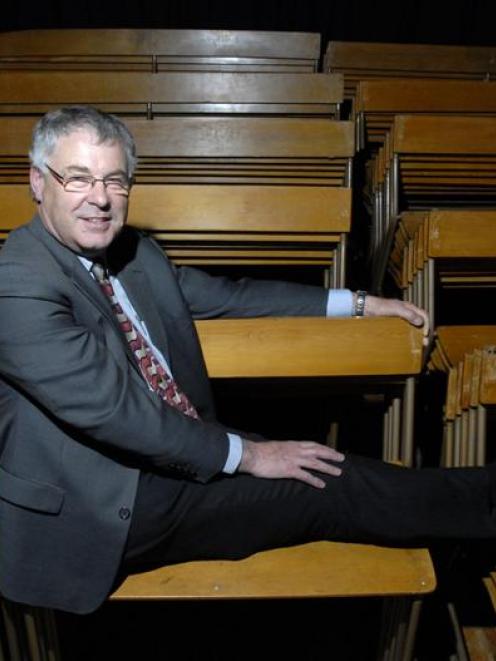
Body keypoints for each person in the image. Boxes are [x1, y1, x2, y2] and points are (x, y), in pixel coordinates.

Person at [0, 106, 495, 616]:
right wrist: (253, 456)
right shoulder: (18, 280)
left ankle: (467, 525)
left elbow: (229, 296)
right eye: (78, 179)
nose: (100, 199)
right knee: (321, 489)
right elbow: (115, 410)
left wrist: (361, 304)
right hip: (97, 508)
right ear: (38, 182)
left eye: (115, 181)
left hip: (172, 451)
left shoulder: (133, 254)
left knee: (328, 469)